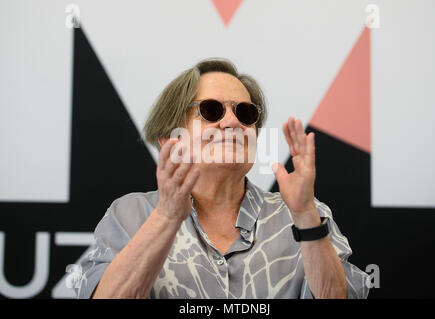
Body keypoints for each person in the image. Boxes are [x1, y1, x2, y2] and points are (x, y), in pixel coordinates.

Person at [75, 58, 370, 299]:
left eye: (245, 113)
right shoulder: (129, 215)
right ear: (169, 139)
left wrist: (305, 215)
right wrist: (166, 217)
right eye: (211, 110)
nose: (231, 122)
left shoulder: (304, 215)